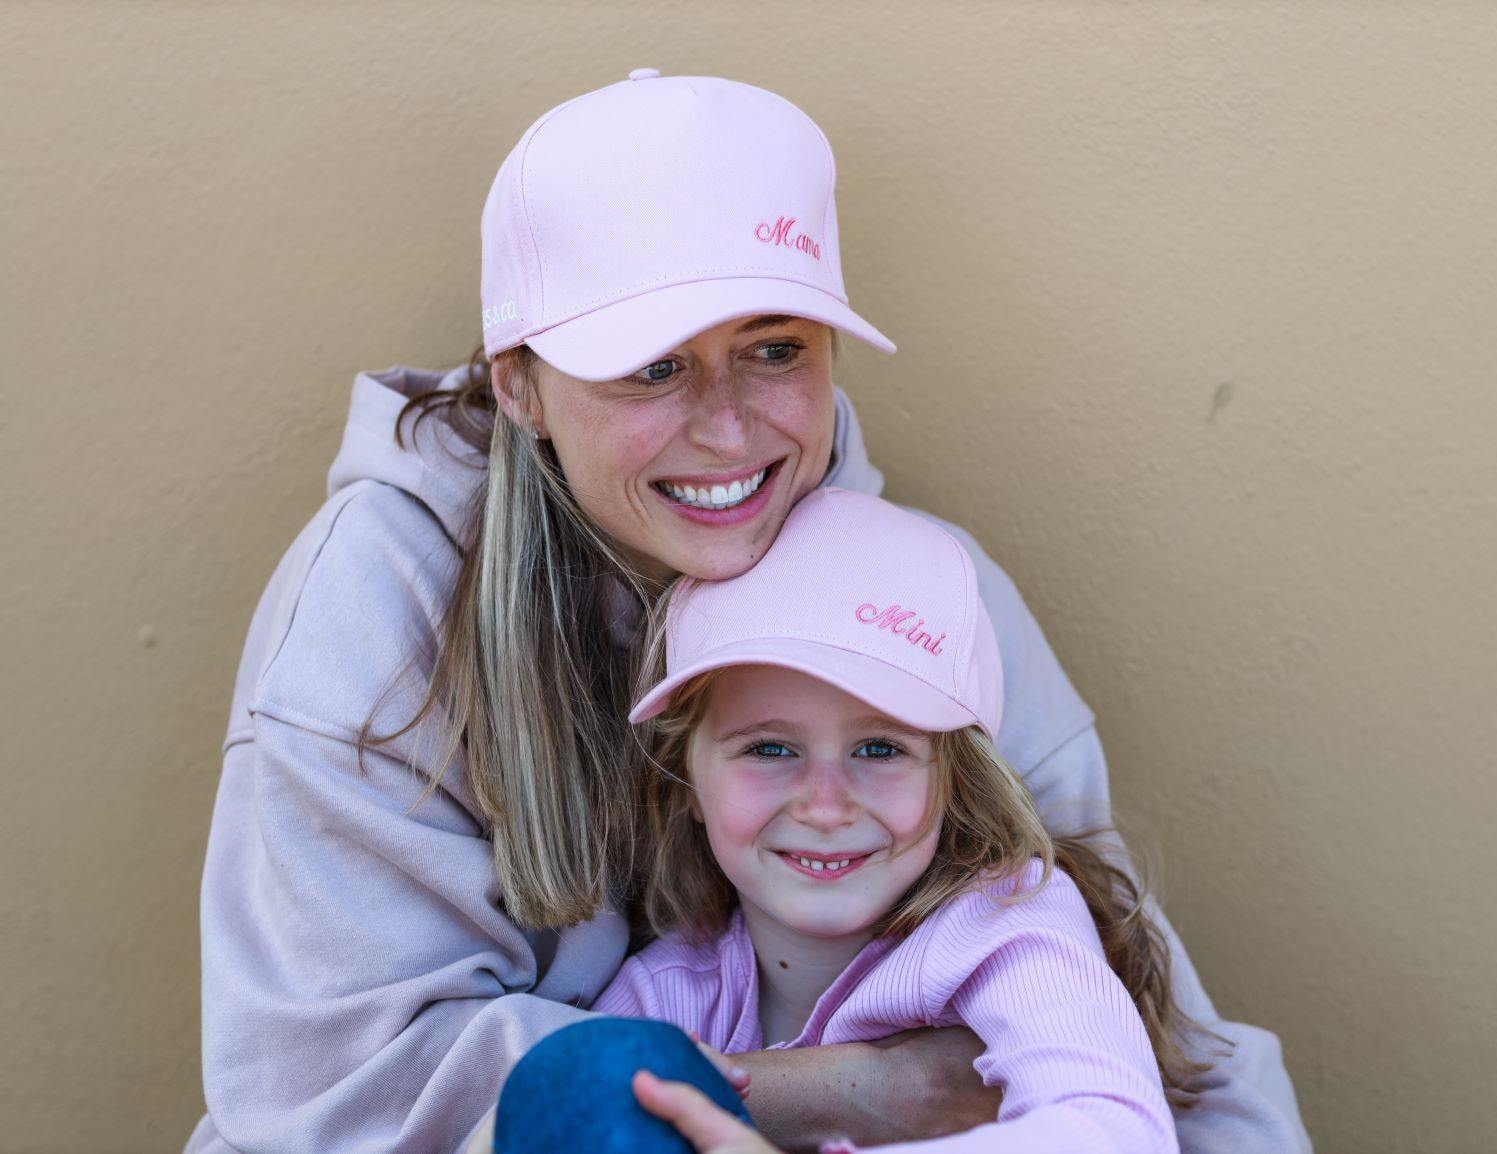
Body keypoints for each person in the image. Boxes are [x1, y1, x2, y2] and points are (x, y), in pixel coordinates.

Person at [185, 70, 1310, 1153]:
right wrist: (864, 1089)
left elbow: (1156, 1037)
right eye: (653, 368)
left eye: (774, 349)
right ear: (518, 381)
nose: (729, 431)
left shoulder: (931, 596)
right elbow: (332, 1092)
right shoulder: (380, 609)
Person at [488, 487, 1190, 1154]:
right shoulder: (665, 997)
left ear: (955, 780)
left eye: (880, 748)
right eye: (769, 748)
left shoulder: (1006, 926)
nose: (825, 805)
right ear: (685, 784)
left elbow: (1117, 1132)